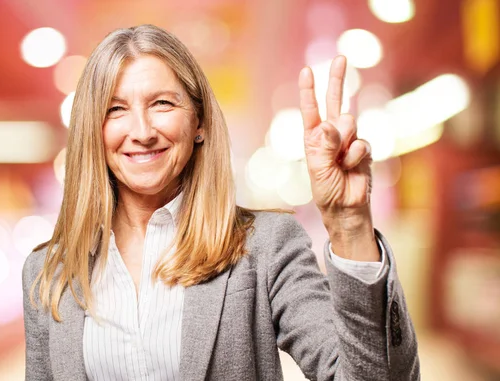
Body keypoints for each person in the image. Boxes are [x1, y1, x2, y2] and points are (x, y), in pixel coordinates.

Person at [22, 24, 419, 381]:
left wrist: (349, 224)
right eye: (116, 109)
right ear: (93, 130)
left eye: (162, 103)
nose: (141, 131)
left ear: (199, 123)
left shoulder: (265, 248)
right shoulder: (48, 274)